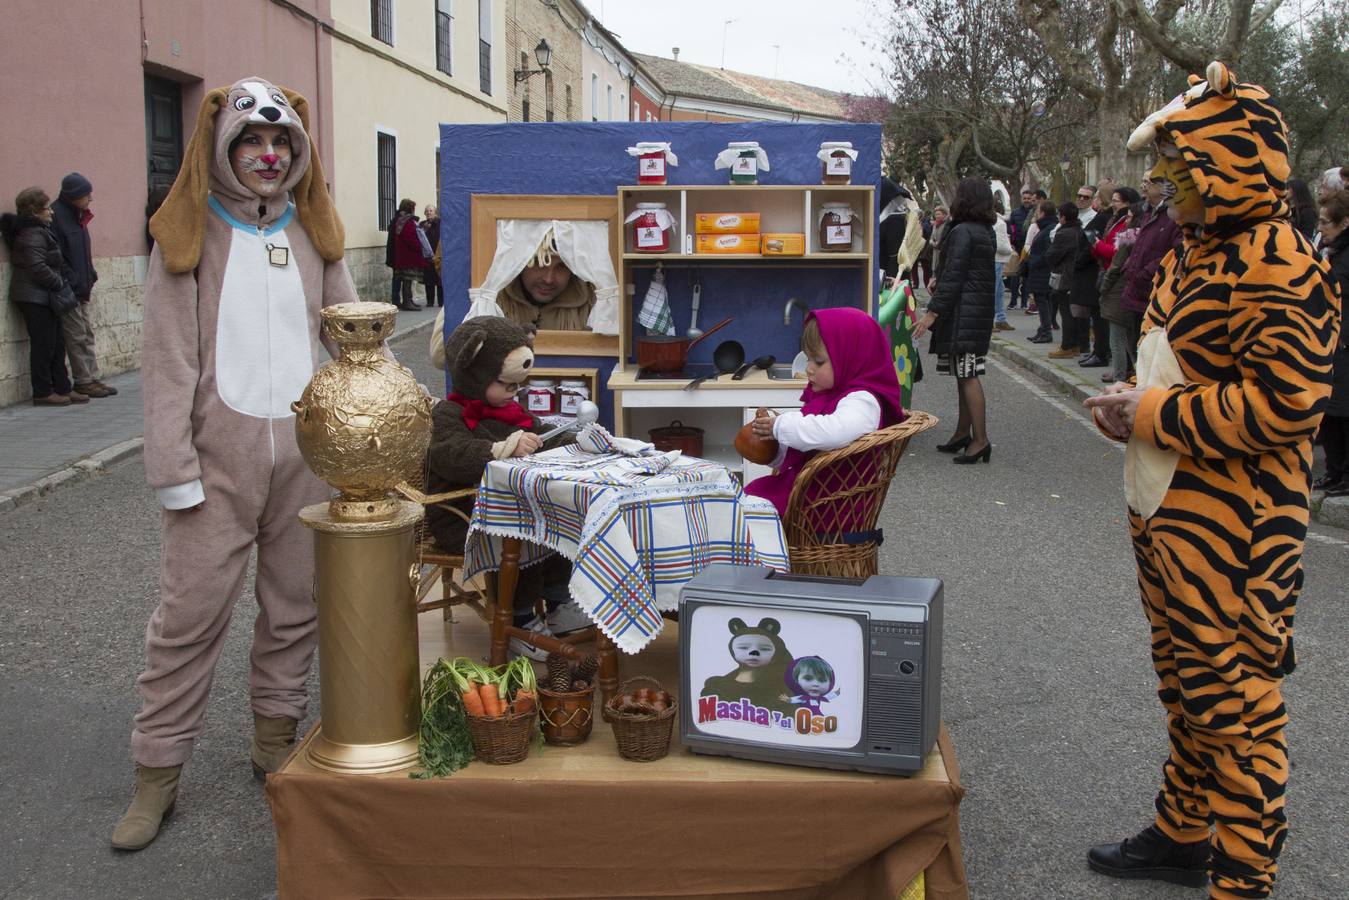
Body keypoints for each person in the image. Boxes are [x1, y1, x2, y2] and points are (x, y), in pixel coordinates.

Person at [1084, 62, 1339, 899]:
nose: (1159, 181)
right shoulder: (1194, 251)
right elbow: (1176, 369)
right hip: (1165, 512)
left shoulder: (1278, 262)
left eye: (1179, 165)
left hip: (1233, 529)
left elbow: (1284, 406)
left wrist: (1150, 414)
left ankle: (1243, 873)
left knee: (1234, 702)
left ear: (1232, 163)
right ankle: (1183, 832)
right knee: (1186, 685)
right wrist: (1126, 403)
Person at [114, 76, 357, 852]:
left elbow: (352, 339)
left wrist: (376, 423)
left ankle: (272, 743)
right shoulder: (188, 236)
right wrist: (173, 466)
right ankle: (157, 773)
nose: (266, 154)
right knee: (187, 619)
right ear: (222, 149)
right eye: (251, 141)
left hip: (303, 459)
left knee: (294, 608)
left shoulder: (310, 232)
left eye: (280, 142)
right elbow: (166, 361)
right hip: (214, 464)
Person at [426, 315, 590, 657]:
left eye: (518, 386)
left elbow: (541, 431)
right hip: (460, 514)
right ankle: (518, 619)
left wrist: (576, 439)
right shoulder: (450, 414)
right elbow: (449, 457)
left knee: (561, 518)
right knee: (525, 530)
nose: (515, 393)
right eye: (507, 384)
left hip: (501, 506)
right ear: (475, 375)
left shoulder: (508, 411)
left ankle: (560, 601)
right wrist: (500, 449)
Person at [745, 306, 906, 515]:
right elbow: (813, 450)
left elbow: (833, 433)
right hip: (814, 493)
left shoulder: (863, 400)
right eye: (808, 359)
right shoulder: (833, 394)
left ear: (850, 358)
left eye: (818, 361)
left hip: (833, 506)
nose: (808, 368)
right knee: (745, 500)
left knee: (747, 511)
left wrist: (781, 425)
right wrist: (774, 451)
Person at [913, 177, 997, 463]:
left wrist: (932, 313)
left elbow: (954, 277)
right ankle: (964, 433)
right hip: (976, 312)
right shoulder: (984, 231)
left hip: (964, 313)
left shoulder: (962, 231)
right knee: (965, 374)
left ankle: (980, 439)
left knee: (968, 375)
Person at [1, 188, 84, 406]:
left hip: (44, 295)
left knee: (56, 342)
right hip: (34, 296)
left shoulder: (41, 230)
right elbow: (36, 266)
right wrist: (59, 283)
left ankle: (63, 387)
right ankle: (42, 391)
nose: (51, 212)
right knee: (44, 344)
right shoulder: (31, 234)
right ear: (35, 211)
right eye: (47, 208)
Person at [50, 172, 117, 398]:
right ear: (73, 196)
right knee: (76, 335)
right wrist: (73, 280)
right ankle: (83, 380)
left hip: (82, 286)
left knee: (87, 333)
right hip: (68, 289)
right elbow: (57, 255)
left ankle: (93, 377)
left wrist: (91, 275)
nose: (90, 198)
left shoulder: (79, 216)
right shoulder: (57, 216)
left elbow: (82, 252)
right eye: (86, 194)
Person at [1119, 174, 1182, 357]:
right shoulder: (1148, 212)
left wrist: (1146, 273)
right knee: (1134, 344)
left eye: (1148, 182)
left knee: (1147, 348)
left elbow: (1174, 252)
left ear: (1164, 187)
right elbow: (1140, 246)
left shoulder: (1173, 214)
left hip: (1153, 289)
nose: (1143, 186)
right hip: (1136, 288)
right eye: (1143, 181)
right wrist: (1129, 267)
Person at [1314, 188, 1349, 495]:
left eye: (1327, 222)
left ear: (1344, 223)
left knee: (1344, 411)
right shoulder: (1328, 251)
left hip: (1344, 342)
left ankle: (1345, 475)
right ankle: (1334, 471)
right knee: (1330, 410)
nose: (1321, 228)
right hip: (1329, 340)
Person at [497, 235, 595, 331]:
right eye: (540, 262)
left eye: (562, 266)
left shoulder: (593, 307)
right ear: (521, 264)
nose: (548, 279)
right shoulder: (495, 303)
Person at [1097, 202, 1143, 384]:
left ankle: (1120, 378)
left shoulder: (1128, 238)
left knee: (1118, 339)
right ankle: (1135, 375)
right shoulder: (1143, 237)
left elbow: (1115, 266)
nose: (1127, 220)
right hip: (1132, 293)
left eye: (1130, 217)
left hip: (1119, 292)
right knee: (1132, 340)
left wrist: (1103, 288)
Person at [1046, 203, 1088, 360]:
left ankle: (1067, 345)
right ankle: (1079, 344)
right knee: (1077, 312)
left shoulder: (1064, 233)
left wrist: (1051, 260)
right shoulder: (1079, 230)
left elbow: (1052, 254)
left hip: (1065, 276)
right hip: (1077, 275)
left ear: (1063, 217)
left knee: (1066, 312)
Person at [1022, 200, 1059, 342]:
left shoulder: (1050, 228)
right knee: (1043, 301)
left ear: (1042, 212)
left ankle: (1046, 332)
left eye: (1038, 212)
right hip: (1039, 270)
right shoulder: (1045, 227)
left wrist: (1034, 262)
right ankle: (1043, 329)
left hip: (1042, 270)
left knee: (1043, 302)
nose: (1036, 214)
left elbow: (1047, 251)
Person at [388, 198, 425, 311]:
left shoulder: (399, 219)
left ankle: (407, 301)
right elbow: (410, 238)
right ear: (410, 208)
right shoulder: (407, 221)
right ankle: (407, 302)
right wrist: (419, 246)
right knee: (407, 279)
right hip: (408, 255)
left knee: (404, 279)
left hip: (401, 255)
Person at [1006, 186, 1037, 309]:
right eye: (1024, 198)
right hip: (1018, 247)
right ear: (1021, 199)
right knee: (1015, 276)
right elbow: (1011, 228)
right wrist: (1011, 243)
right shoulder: (1015, 213)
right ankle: (1013, 301)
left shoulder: (1035, 212)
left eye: (1029, 198)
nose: (1027, 200)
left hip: (1030, 248)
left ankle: (1024, 302)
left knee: (1027, 277)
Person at [991, 197, 1014, 332]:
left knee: (998, 291)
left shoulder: (995, 222)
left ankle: (1000, 318)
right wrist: (1010, 250)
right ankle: (994, 319)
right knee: (995, 291)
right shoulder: (999, 223)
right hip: (996, 259)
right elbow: (1001, 246)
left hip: (996, 259)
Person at [421, 204, 442, 308]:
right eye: (427, 211)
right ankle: (430, 301)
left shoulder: (440, 223)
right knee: (429, 280)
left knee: (439, 279)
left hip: (439, 254)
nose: (429, 213)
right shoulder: (422, 225)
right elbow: (419, 237)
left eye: (431, 211)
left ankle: (441, 301)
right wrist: (425, 229)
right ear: (425, 213)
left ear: (435, 212)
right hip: (427, 256)